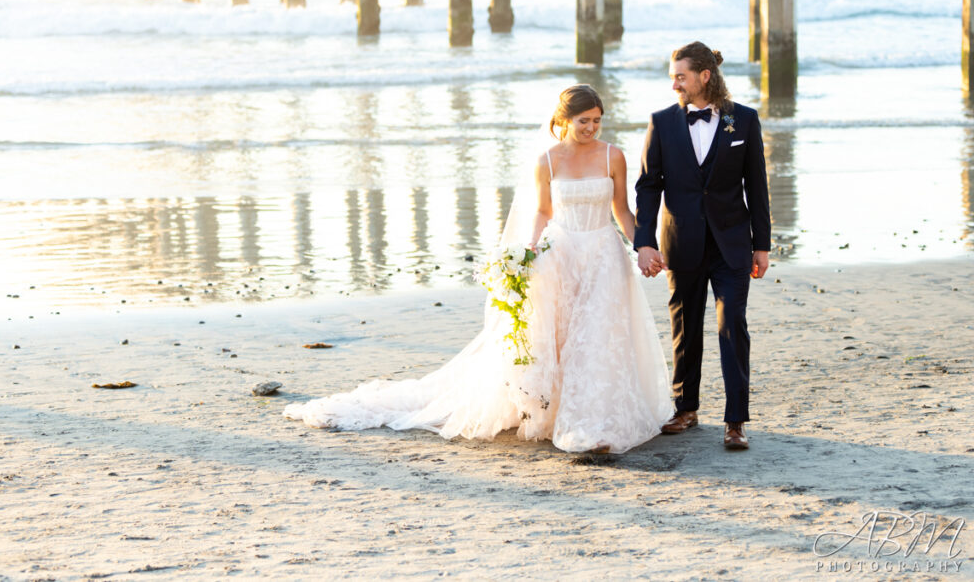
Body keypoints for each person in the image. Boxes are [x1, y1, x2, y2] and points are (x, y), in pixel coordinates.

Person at [285, 85, 673, 454]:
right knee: (561, 337)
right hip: (563, 254)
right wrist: (529, 250)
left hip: (603, 253)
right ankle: (557, 415)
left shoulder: (613, 156)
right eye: (583, 120)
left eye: (596, 120)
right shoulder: (547, 161)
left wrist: (642, 244)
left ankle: (593, 420)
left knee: (597, 338)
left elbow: (622, 209)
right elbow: (542, 211)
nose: (590, 128)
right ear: (564, 119)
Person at [633, 41, 771, 450]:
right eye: (673, 76)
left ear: (704, 76)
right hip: (682, 242)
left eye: (681, 75)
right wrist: (644, 242)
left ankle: (735, 421)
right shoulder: (661, 122)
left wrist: (761, 245)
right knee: (685, 329)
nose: (674, 83)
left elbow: (757, 186)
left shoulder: (743, 120)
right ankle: (686, 409)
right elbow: (648, 187)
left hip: (732, 244)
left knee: (733, 328)